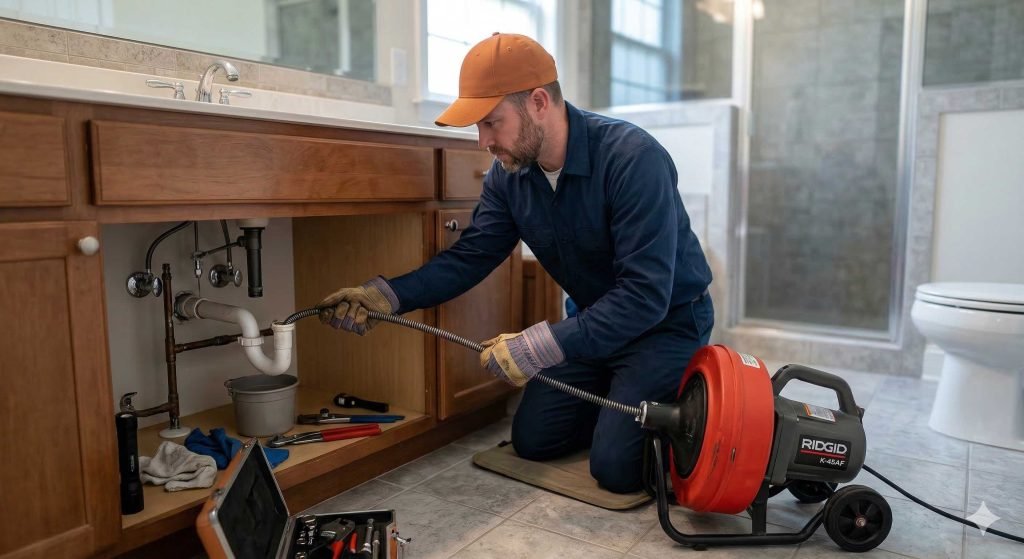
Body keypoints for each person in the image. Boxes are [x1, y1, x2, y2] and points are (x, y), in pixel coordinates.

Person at [318, 32, 713, 493]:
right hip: (594, 327)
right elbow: (471, 257)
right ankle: (620, 403)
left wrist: (541, 345)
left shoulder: (632, 159)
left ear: (539, 102)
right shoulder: (509, 177)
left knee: (617, 470)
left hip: (663, 326)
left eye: (491, 123)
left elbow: (645, 296)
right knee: (533, 439)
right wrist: (386, 295)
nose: (482, 140)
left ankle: (670, 406)